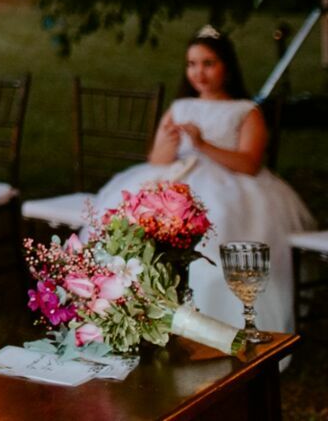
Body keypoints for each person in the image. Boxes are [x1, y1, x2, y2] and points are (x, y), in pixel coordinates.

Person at [92, 28, 316, 333]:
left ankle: (216, 322)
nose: (199, 72)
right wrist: (169, 145)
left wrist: (203, 145)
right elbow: (156, 159)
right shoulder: (181, 107)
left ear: (227, 66)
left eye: (208, 63)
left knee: (217, 225)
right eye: (192, 64)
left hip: (230, 183)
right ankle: (136, 312)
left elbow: (249, 164)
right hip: (177, 177)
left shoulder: (245, 111)